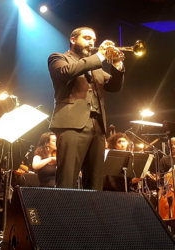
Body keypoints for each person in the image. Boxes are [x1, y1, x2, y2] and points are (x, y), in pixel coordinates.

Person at [48, 26, 125, 190]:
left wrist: (117, 65)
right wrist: (100, 56)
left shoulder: (96, 66)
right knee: (67, 179)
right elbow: (67, 72)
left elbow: (113, 86)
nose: (92, 42)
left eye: (94, 40)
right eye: (87, 38)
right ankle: (62, 216)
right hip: (71, 125)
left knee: (95, 182)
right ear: (73, 40)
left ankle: (89, 215)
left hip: (98, 126)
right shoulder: (58, 58)